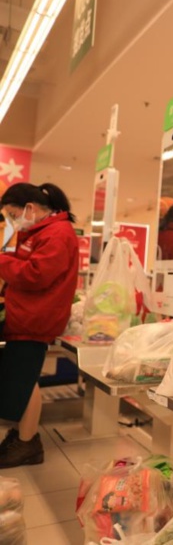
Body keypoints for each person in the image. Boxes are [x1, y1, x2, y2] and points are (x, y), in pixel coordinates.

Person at [0, 183, 78, 468]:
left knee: (25, 378)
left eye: (13, 214)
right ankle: (23, 435)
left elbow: (36, 275)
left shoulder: (58, 233)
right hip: (26, 314)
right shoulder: (40, 231)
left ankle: (27, 443)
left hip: (36, 318)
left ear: (30, 208)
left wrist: (1, 262)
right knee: (22, 376)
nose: (12, 221)